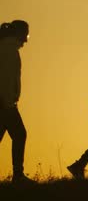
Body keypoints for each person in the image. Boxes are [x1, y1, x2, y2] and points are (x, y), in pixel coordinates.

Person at [0, 20, 35, 183]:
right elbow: (6, 78)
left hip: (4, 101)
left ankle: (18, 175)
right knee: (20, 134)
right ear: (19, 33)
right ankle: (18, 175)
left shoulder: (6, 47)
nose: (26, 40)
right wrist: (8, 103)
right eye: (26, 35)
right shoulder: (8, 50)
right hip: (4, 102)